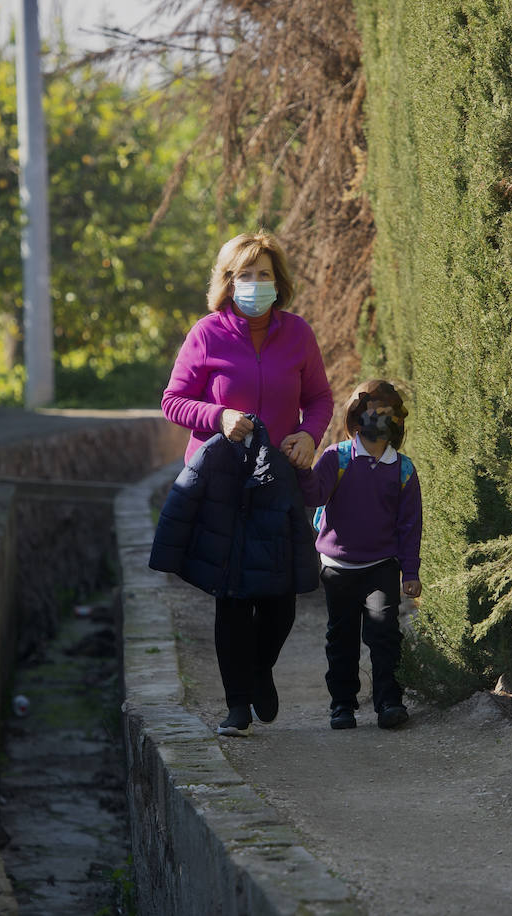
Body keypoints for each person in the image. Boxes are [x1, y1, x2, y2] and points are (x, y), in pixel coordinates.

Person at [160, 230, 333, 736]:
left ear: (278, 282)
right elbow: (173, 400)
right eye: (244, 275)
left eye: (264, 275)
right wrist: (217, 416)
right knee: (232, 595)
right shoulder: (207, 333)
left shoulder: (298, 333)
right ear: (228, 282)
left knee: (280, 597)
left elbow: (320, 397)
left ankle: (260, 669)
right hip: (220, 484)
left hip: (277, 481)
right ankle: (237, 706)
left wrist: (308, 433)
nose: (254, 284)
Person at [296, 379, 423, 731]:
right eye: (371, 409)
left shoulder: (404, 470)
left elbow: (410, 527)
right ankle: (342, 706)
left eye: (386, 411)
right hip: (337, 568)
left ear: (397, 420)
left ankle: (389, 702)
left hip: (381, 565)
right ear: (356, 416)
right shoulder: (336, 457)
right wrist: (302, 466)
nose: (378, 416)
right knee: (342, 637)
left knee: (385, 633)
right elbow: (314, 495)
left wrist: (410, 572)